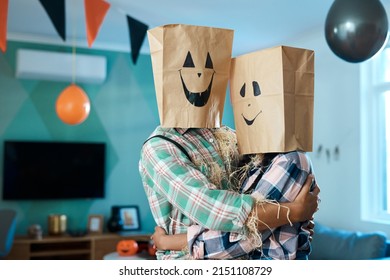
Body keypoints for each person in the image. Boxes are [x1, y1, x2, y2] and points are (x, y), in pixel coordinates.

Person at [139, 24, 320, 260]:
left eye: (210, 67)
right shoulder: (159, 148)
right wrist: (292, 212)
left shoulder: (229, 135)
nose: (201, 75)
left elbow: (264, 197)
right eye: (189, 67)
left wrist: (297, 212)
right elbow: (212, 210)